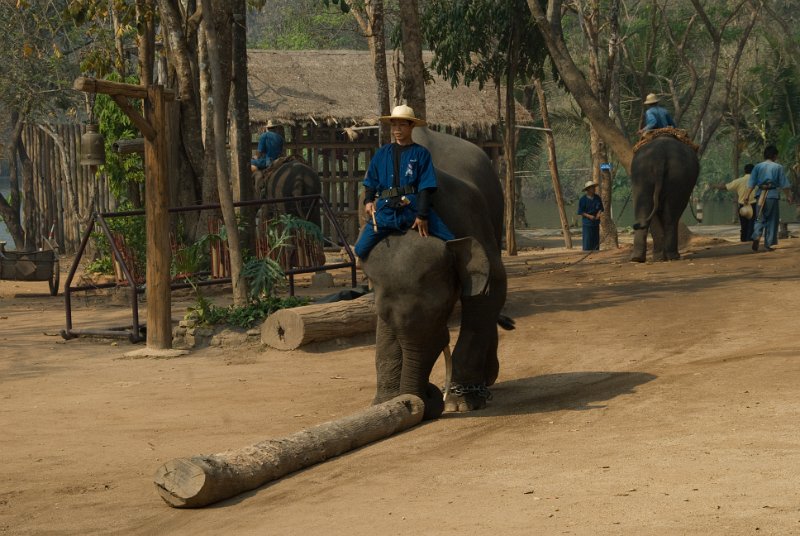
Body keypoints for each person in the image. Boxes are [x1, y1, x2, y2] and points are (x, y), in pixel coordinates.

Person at [353, 104, 454, 259]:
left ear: (412, 126)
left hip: (412, 207)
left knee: (451, 240)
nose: (397, 130)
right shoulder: (382, 154)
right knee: (360, 249)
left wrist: (422, 215)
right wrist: (368, 200)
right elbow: (371, 181)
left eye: (402, 125)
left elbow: (425, 186)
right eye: (394, 125)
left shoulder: (421, 154)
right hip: (385, 210)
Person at [745, 145, 795, 252]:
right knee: (772, 220)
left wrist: (746, 196)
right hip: (772, 195)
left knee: (759, 217)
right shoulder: (778, 167)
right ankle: (768, 244)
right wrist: (789, 196)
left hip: (760, 195)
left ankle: (757, 235)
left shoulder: (757, 167)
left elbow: (751, 183)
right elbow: (784, 185)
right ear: (774, 156)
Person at [712, 164, 756, 242]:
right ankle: (750, 240)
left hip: (742, 206)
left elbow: (725, 187)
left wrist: (714, 186)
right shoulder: (757, 180)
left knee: (744, 225)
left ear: (745, 171)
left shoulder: (739, 181)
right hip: (753, 205)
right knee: (751, 224)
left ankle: (743, 240)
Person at [577, 180, 604, 251]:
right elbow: (581, 211)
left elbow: (601, 208)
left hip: (596, 222)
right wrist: (589, 216)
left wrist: (598, 214)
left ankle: (596, 252)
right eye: (592, 187)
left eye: (594, 187)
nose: (594, 189)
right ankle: (586, 252)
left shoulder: (597, 198)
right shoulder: (583, 200)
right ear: (588, 189)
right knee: (587, 240)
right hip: (587, 223)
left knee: (595, 239)